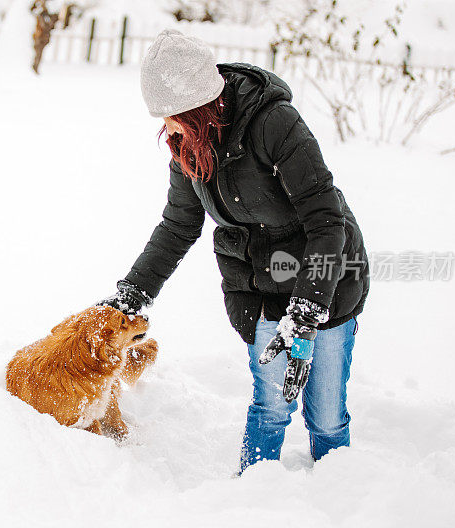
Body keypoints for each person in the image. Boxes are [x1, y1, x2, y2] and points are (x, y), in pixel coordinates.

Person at [98, 30, 369, 473]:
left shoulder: (274, 122)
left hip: (328, 279)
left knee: (325, 413)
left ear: (198, 108)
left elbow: (326, 220)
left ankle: (337, 495)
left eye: (171, 115)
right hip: (260, 283)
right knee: (271, 406)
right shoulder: (187, 148)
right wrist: (134, 292)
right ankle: (250, 497)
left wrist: (306, 309)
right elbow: (178, 225)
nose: (166, 127)